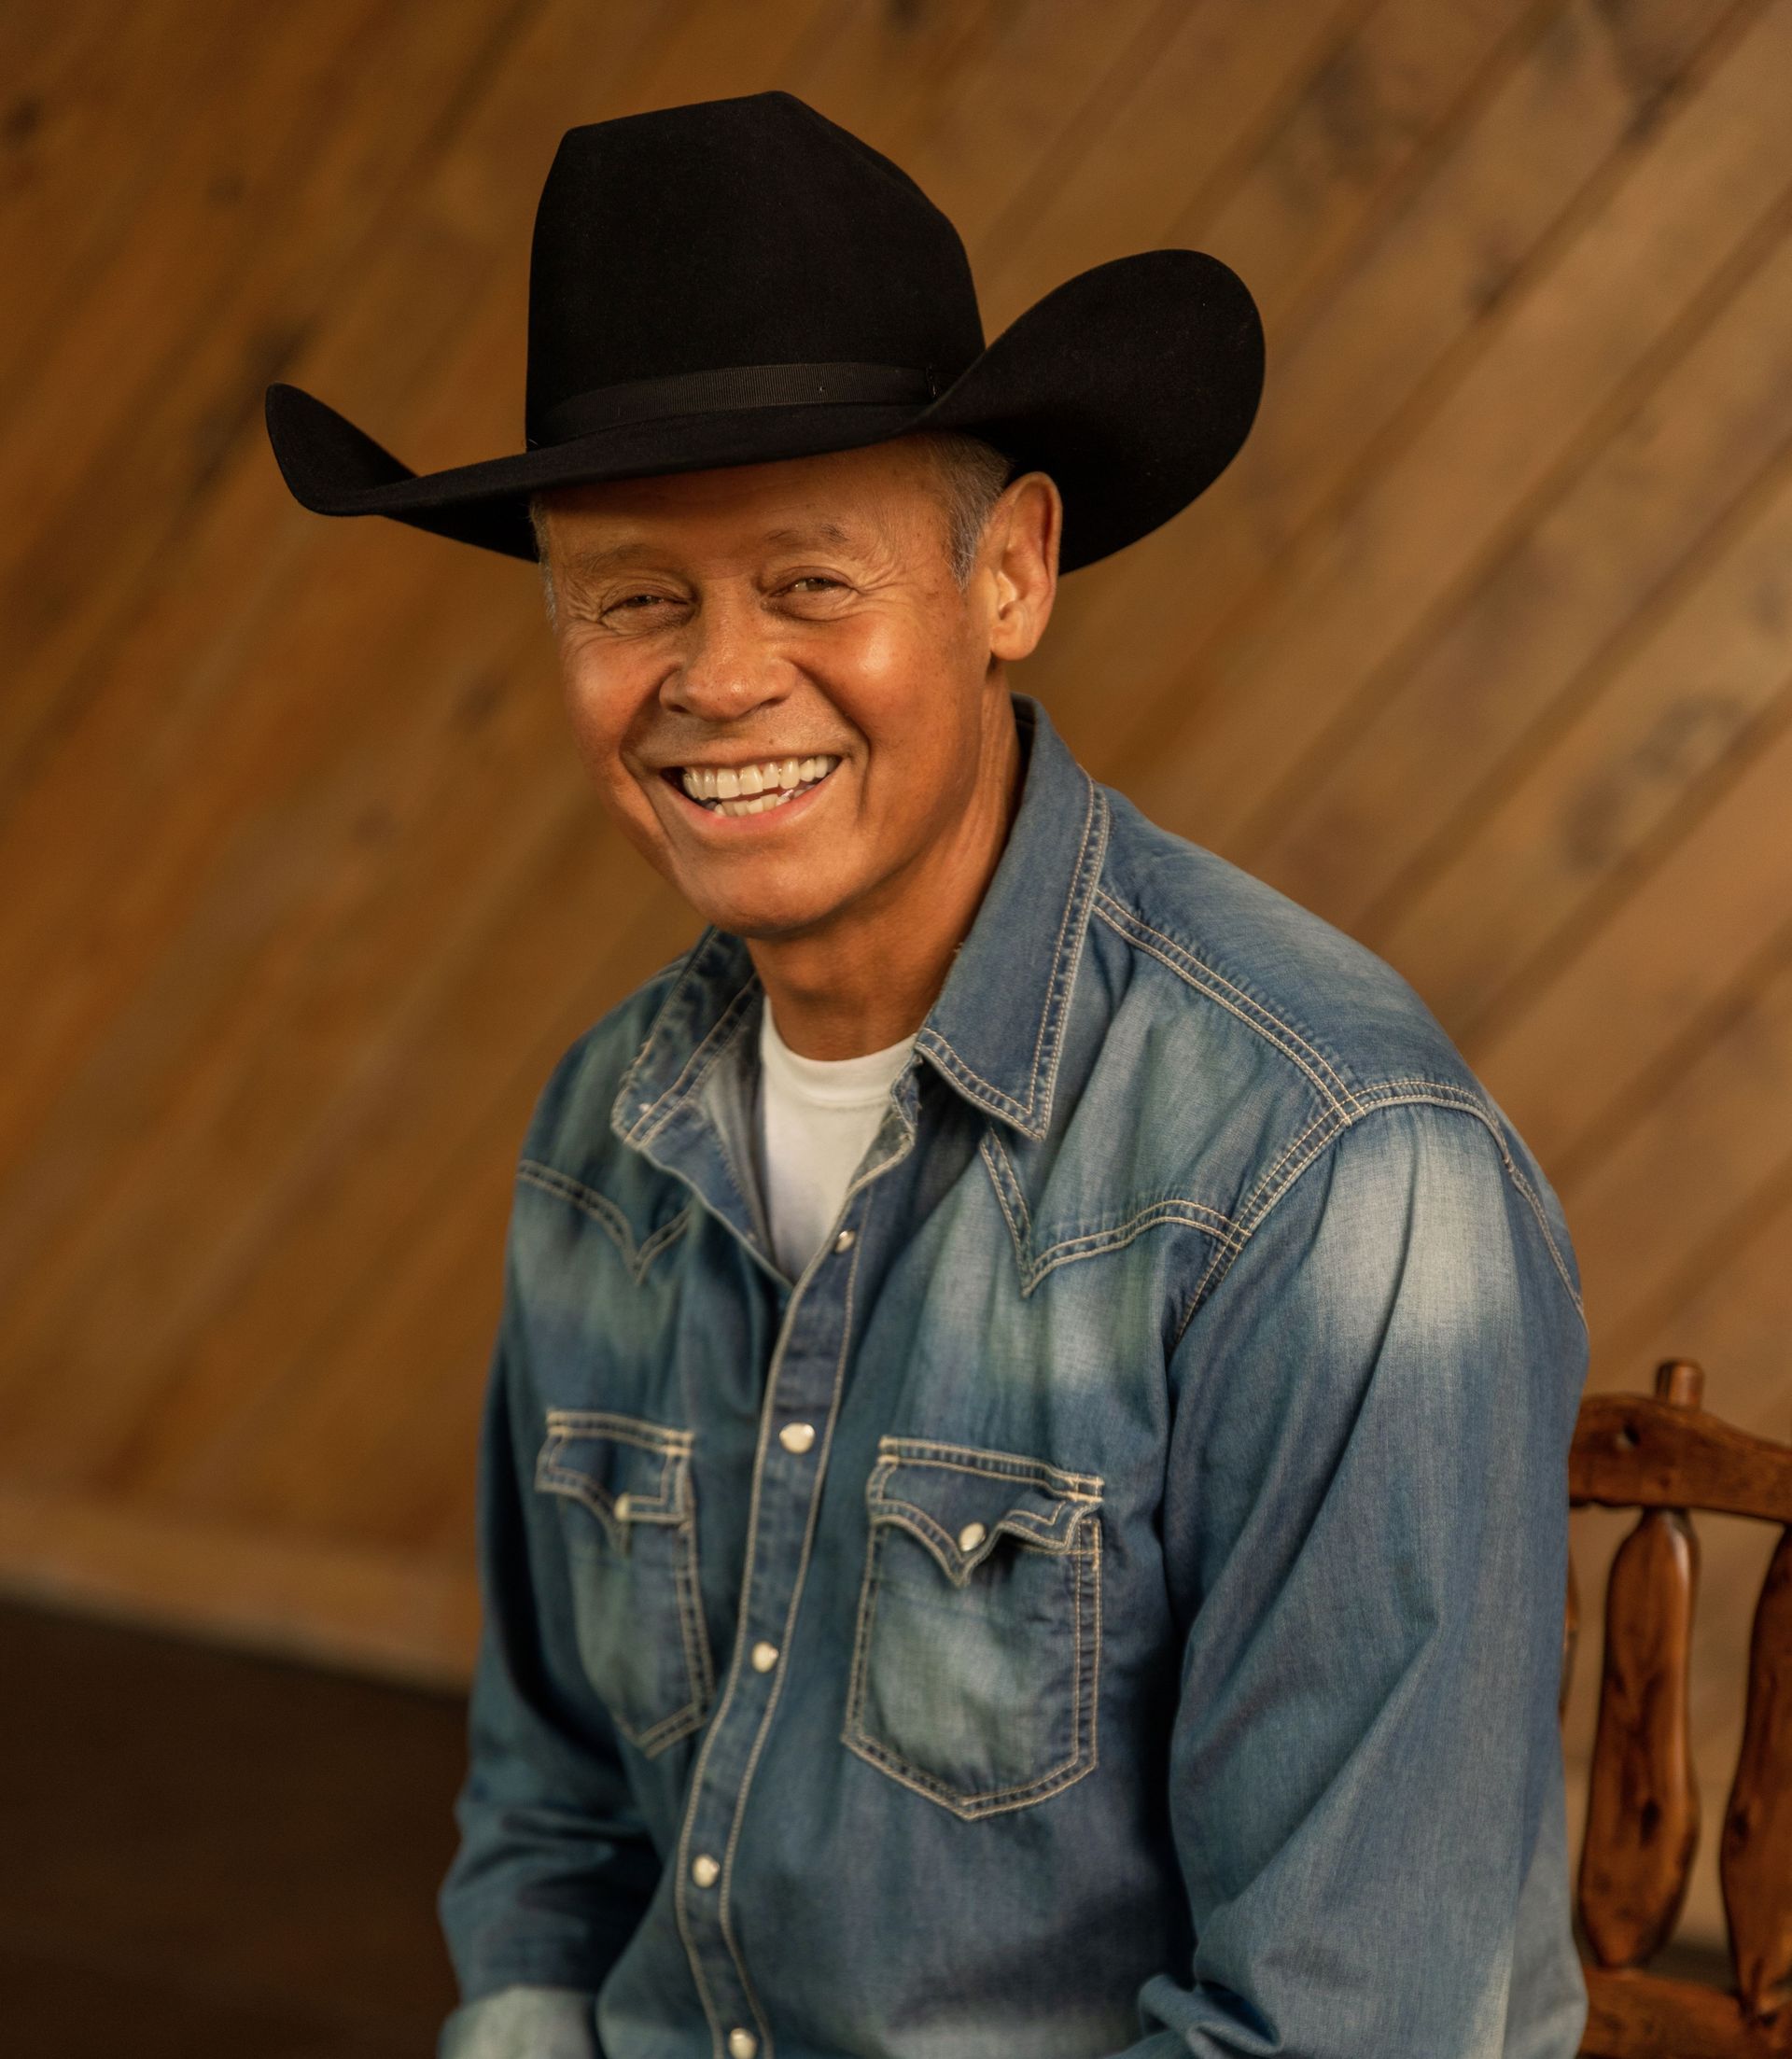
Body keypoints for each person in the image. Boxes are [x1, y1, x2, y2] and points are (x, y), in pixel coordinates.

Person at [266, 88, 1589, 2059]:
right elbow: (549, 1831)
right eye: (634, 594)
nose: (716, 678)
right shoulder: (596, 1146)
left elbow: (1352, 2024)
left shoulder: (1335, 1175)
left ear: (1012, 574)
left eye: (809, 581)